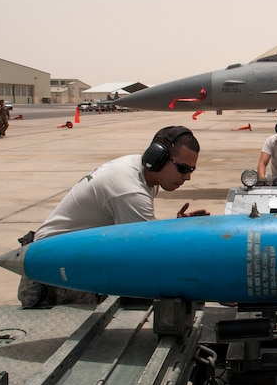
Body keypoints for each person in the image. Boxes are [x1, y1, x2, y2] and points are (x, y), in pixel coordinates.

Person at [17, 125, 209, 308]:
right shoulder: (130, 191)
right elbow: (149, 251)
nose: (187, 177)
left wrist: (175, 228)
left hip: (64, 258)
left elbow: (143, 233)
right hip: (51, 275)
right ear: (157, 157)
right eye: (183, 169)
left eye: (191, 170)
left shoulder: (137, 168)